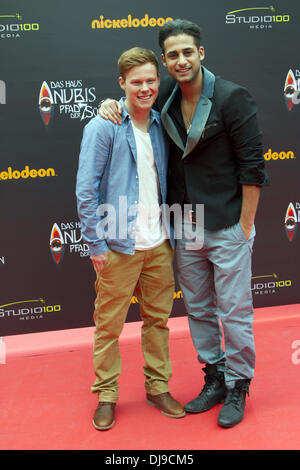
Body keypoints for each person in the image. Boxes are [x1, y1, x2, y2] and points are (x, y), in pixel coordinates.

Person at [98, 19, 269, 428]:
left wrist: (245, 226)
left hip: (228, 224)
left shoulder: (232, 97)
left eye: (187, 52)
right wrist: (113, 105)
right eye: (172, 54)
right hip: (186, 226)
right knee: (198, 309)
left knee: (235, 310)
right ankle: (214, 378)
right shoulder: (166, 99)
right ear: (164, 60)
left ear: (201, 53)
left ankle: (239, 383)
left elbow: (253, 167)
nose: (181, 60)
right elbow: (135, 104)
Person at [76, 47, 186, 431]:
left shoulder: (162, 124)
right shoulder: (102, 126)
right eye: (135, 82)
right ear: (121, 83)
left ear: (159, 83)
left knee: (158, 321)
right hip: (118, 247)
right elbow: (86, 191)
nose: (144, 88)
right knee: (108, 325)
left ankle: (158, 387)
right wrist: (95, 244)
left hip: (159, 244)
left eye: (150, 81)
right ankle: (106, 393)